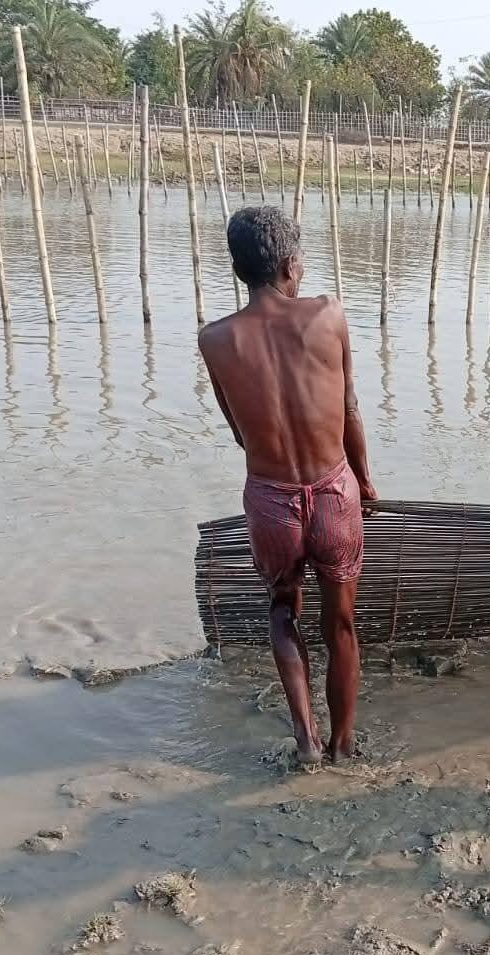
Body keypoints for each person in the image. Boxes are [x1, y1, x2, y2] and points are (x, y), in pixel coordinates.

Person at [199, 207, 377, 766]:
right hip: (333, 495)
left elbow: (239, 432)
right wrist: (364, 480)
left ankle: (306, 740)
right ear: (291, 265)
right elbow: (349, 409)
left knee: (282, 612)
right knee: (340, 624)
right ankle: (343, 745)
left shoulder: (215, 339)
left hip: (271, 501)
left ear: (238, 270)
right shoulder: (329, 314)